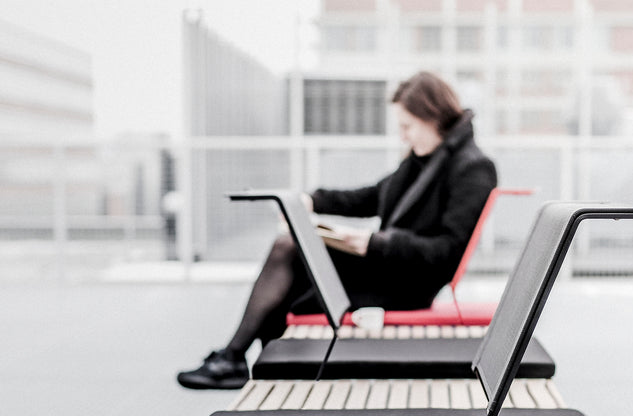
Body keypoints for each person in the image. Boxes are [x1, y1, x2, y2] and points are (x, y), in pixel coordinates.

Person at [178, 71, 498, 389]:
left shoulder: (472, 168)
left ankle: (244, 361)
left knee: (289, 253)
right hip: (389, 265)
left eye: (407, 126)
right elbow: (372, 197)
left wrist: (376, 243)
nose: (403, 136)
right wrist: (313, 201)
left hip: (409, 283)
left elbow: (448, 252)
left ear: (432, 117)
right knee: (294, 257)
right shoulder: (424, 160)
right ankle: (256, 366)